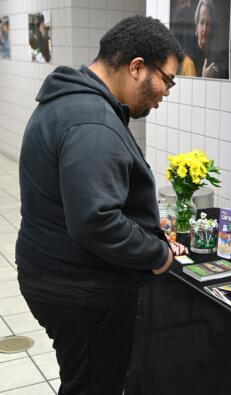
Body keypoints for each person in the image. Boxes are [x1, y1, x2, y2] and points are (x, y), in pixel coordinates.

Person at [16, 16, 185, 395]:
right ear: (137, 66)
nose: (167, 92)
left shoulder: (70, 100)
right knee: (95, 386)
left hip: (52, 274)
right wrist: (156, 253)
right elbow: (97, 220)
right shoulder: (92, 120)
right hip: (80, 290)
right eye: (167, 79)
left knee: (84, 380)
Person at [183, 0, 228, 78]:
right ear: (196, 27)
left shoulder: (218, 59)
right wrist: (204, 80)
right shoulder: (188, 60)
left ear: (213, 28)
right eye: (202, 22)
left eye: (208, 23)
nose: (204, 28)